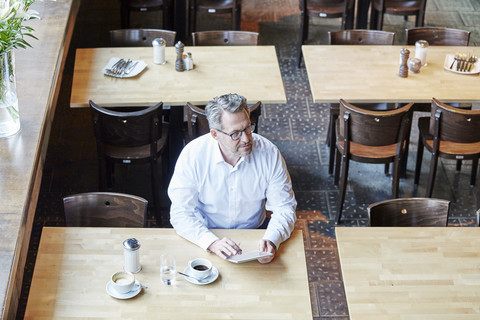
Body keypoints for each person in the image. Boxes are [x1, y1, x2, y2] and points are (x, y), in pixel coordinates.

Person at [168, 93, 296, 264]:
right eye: (236, 133)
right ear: (215, 134)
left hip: (255, 235)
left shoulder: (269, 153)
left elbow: (285, 208)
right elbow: (180, 213)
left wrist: (272, 239)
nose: (246, 139)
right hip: (206, 235)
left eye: (248, 128)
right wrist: (211, 242)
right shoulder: (193, 155)